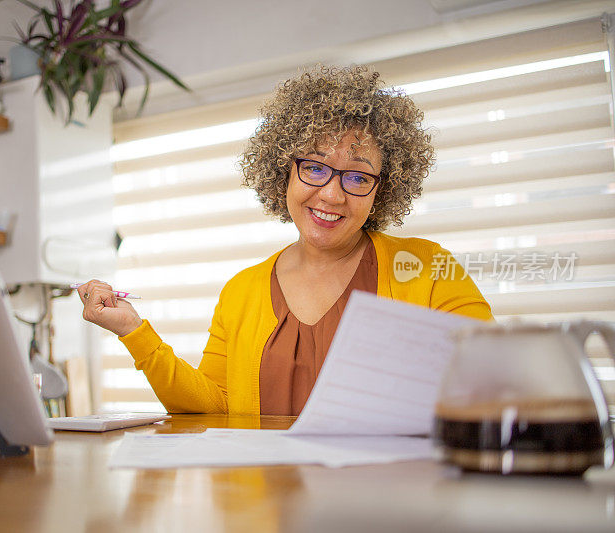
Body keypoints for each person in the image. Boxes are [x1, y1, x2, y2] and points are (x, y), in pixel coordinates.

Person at [77, 65, 493, 416]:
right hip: (263, 508)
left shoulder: (425, 267)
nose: (332, 194)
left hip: (383, 503)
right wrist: (134, 331)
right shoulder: (241, 292)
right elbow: (215, 408)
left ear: (381, 189)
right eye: (314, 167)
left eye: (357, 176)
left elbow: (491, 380)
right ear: (284, 172)